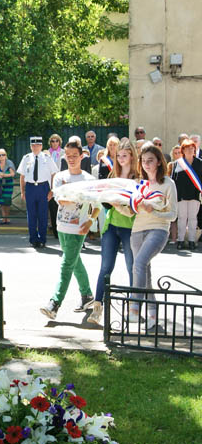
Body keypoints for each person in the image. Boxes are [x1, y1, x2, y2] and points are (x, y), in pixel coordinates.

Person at [40, 140, 99, 319]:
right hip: (62, 225)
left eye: (75, 156)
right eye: (69, 156)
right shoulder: (59, 177)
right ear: (64, 156)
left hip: (78, 228)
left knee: (66, 264)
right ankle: (87, 295)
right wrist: (78, 197)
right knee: (74, 261)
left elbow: (97, 204)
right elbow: (61, 200)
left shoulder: (89, 179)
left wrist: (90, 222)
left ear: (82, 156)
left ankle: (54, 303)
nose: (72, 159)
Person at [86, 138, 138, 325]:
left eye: (124, 155)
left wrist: (118, 203)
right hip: (111, 226)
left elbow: (134, 208)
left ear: (132, 156)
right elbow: (103, 201)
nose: (121, 159)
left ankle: (135, 307)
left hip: (131, 227)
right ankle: (98, 308)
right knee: (105, 267)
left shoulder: (138, 177)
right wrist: (91, 219)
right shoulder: (112, 175)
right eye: (119, 156)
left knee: (133, 267)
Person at [129, 142, 177, 328]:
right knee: (145, 273)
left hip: (158, 229)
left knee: (139, 264)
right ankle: (153, 314)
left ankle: (134, 307)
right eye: (143, 161)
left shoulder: (168, 184)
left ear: (159, 162)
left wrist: (154, 211)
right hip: (137, 231)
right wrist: (120, 205)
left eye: (151, 160)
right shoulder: (139, 184)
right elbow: (130, 211)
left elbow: (173, 215)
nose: (146, 164)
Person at [18, 136, 57, 248]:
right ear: (30, 146)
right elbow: (22, 176)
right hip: (30, 187)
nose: (35, 147)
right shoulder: (26, 158)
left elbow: (54, 173)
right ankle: (33, 239)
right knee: (31, 215)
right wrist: (22, 191)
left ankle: (42, 239)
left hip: (43, 187)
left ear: (41, 146)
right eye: (33, 145)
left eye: (37, 145)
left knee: (43, 215)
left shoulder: (47, 158)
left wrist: (52, 190)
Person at [171, 138, 202, 251]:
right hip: (181, 195)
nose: (190, 150)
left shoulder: (199, 163)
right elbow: (173, 180)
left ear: (195, 149)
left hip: (194, 195)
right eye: (187, 148)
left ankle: (192, 241)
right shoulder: (178, 163)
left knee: (193, 218)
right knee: (182, 218)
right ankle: (180, 240)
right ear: (183, 150)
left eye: (192, 148)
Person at [46, 135, 64, 238]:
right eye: (52, 141)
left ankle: (61, 229)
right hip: (49, 183)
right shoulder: (46, 153)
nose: (54, 142)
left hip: (60, 182)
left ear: (59, 142)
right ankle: (55, 230)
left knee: (60, 207)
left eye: (57, 141)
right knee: (52, 207)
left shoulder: (63, 153)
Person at [0, 148, 15, 224]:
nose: (1, 156)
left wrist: (4, 175)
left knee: (7, 202)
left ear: (6, 155)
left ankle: (7, 218)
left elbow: (13, 174)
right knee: (1, 203)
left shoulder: (9, 163)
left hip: (8, 185)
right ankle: (4, 219)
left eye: (3, 155)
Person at [167, 144, 182, 243]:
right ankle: (172, 238)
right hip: (171, 192)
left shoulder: (185, 165)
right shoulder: (171, 165)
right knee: (172, 217)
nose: (177, 155)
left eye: (179, 153)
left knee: (181, 217)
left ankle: (179, 237)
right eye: (175, 153)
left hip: (181, 193)